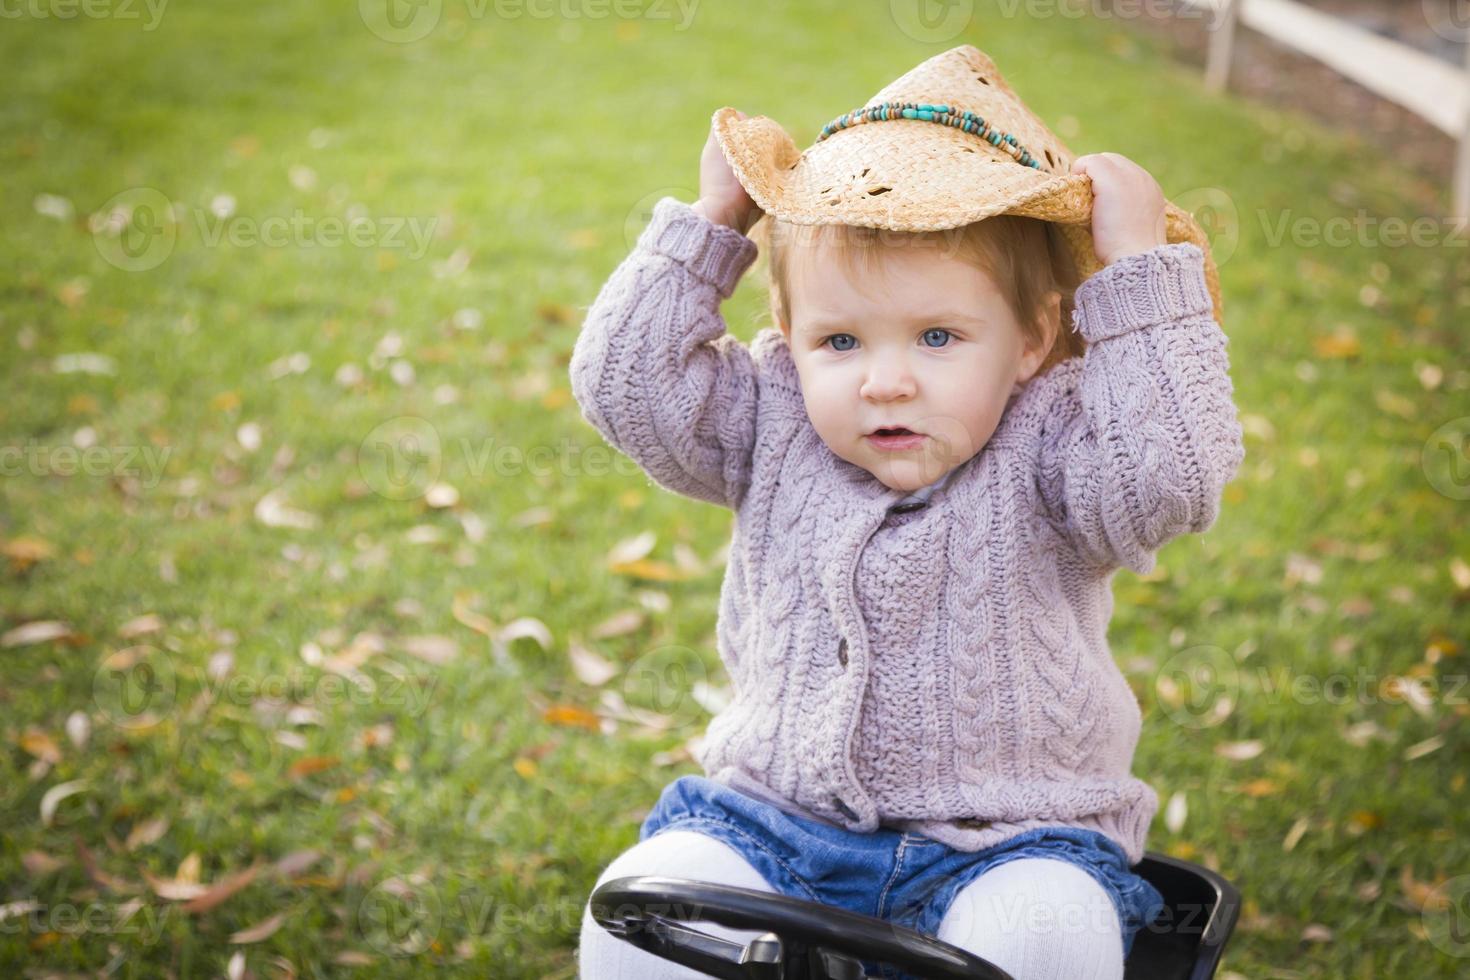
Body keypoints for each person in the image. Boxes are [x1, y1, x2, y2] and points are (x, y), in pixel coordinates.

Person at [572, 45, 1244, 980]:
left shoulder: (1059, 444)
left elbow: (1173, 473)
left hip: (1013, 837)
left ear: (1031, 341)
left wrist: (1136, 270)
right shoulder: (771, 416)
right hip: (773, 818)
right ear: (792, 339)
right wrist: (711, 222)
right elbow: (624, 387)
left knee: (1044, 939)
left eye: (938, 337)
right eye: (839, 340)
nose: (886, 381)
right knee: (639, 916)